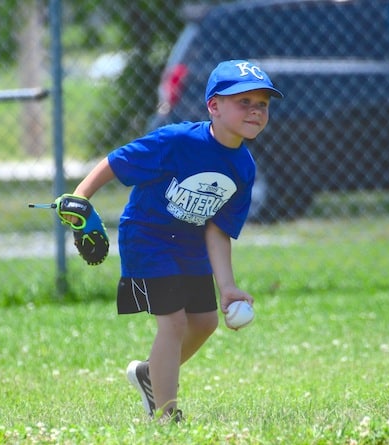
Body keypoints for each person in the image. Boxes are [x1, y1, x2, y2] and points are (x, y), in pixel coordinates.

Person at [66, 59, 283, 422]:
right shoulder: (178, 141)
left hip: (191, 242)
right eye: (243, 101)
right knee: (174, 323)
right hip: (148, 236)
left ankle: (150, 375)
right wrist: (81, 196)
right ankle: (166, 414)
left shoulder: (243, 167)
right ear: (214, 106)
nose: (255, 111)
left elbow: (218, 228)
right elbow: (118, 162)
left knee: (205, 323)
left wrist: (227, 286)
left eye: (262, 104)